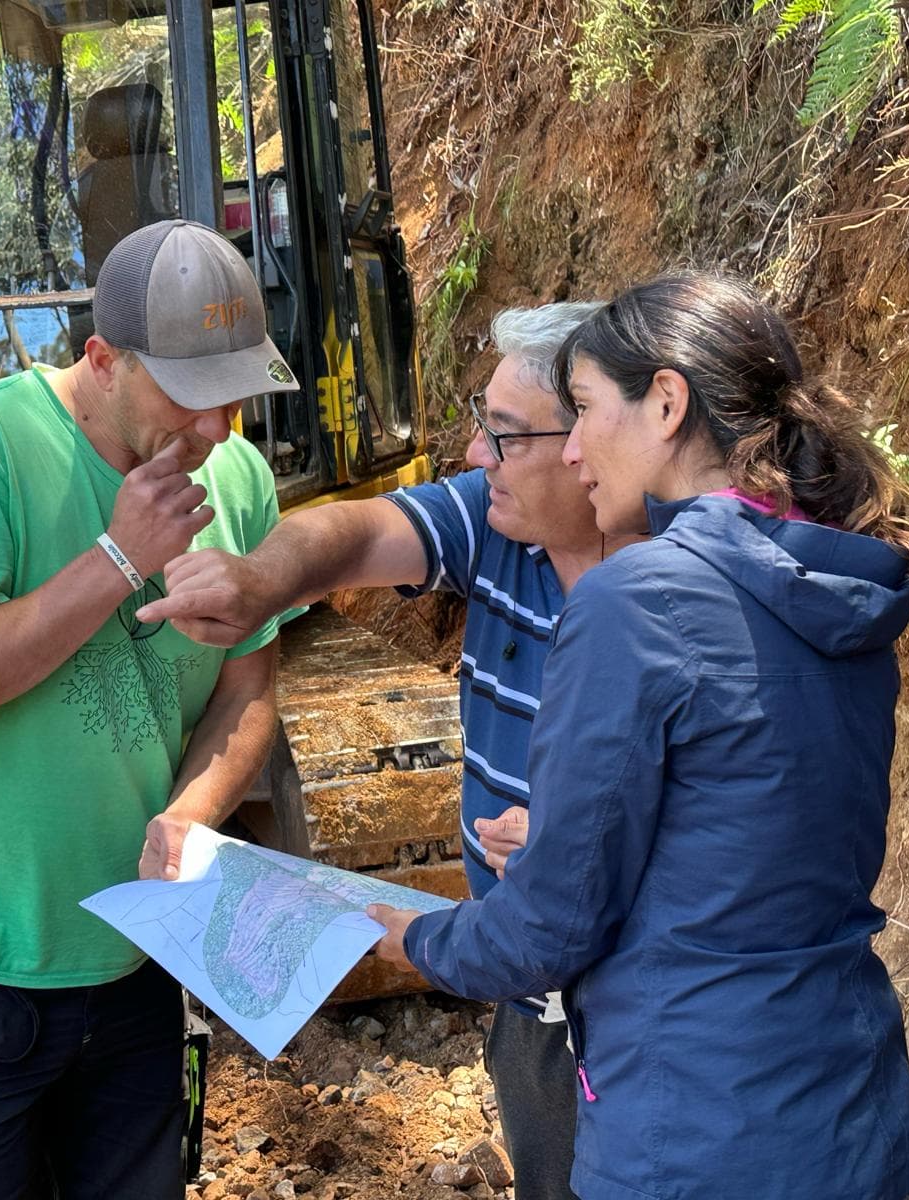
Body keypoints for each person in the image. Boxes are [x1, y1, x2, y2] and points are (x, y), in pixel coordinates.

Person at [366, 271, 909, 1200]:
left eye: (584, 409)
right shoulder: (845, 581)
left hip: (689, 1133)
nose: (571, 453)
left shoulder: (636, 600)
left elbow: (550, 932)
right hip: (851, 1111)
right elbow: (764, 850)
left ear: (667, 403)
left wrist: (415, 940)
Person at [0, 219, 301, 1200]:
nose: (217, 431)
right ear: (101, 359)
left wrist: (188, 815)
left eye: (237, 396)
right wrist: (117, 558)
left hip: (133, 962)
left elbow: (249, 689)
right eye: (192, 398)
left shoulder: (238, 480)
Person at [139, 302, 642, 1200]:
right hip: (529, 1002)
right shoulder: (498, 524)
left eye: (507, 435)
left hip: (641, 1008)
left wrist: (584, 841)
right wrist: (264, 579)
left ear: (590, 442)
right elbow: (356, 532)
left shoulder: (678, 594)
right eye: (480, 426)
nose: (476, 457)